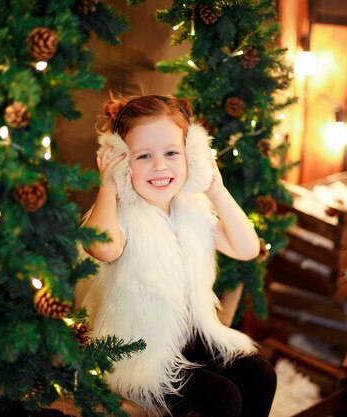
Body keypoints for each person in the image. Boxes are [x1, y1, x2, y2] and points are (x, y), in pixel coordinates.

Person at [75, 94, 277, 417]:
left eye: (172, 153)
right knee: (223, 398)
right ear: (121, 161)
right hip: (138, 350)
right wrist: (108, 189)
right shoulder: (122, 216)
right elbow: (101, 246)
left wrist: (216, 189)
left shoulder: (191, 208)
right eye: (143, 156)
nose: (160, 166)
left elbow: (247, 248)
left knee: (260, 376)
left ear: (191, 157)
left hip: (188, 332)